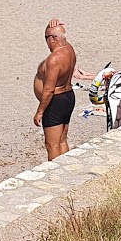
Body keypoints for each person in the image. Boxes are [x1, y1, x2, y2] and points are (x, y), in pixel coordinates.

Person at [33, 20, 79, 160]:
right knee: (62, 140)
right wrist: (52, 23)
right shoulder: (69, 49)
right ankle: (66, 169)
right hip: (68, 97)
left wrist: (40, 112)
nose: (46, 42)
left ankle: (56, 177)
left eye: (46, 38)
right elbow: (59, 33)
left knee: (52, 145)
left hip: (55, 102)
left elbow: (49, 89)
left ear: (53, 39)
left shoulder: (54, 59)